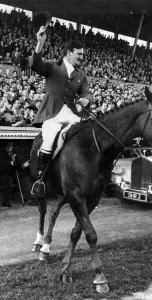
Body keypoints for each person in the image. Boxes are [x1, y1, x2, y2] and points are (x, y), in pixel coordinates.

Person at [31, 26, 93, 196]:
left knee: (88, 135)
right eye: (79, 54)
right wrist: (39, 43)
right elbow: (35, 65)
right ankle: (40, 180)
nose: (81, 57)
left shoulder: (81, 75)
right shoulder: (52, 66)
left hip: (72, 114)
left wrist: (86, 99)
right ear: (68, 53)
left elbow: (87, 92)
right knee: (50, 140)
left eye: (82, 54)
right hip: (52, 113)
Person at [0, 141, 37, 207]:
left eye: (11, 145)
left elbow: (17, 164)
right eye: (8, 145)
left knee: (24, 177)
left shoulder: (14, 154)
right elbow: (3, 166)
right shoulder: (2, 154)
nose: (10, 147)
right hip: (4, 174)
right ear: (5, 146)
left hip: (13, 172)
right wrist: (12, 162)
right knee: (8, 180)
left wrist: (22, 165)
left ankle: (29, 198)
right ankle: (5, 201)